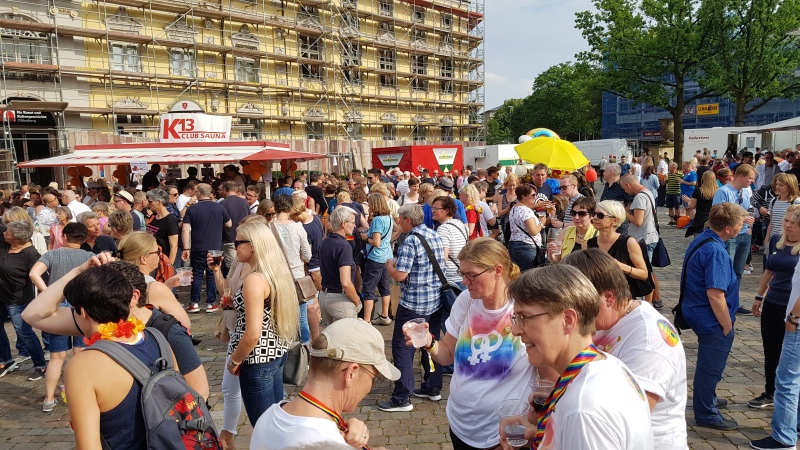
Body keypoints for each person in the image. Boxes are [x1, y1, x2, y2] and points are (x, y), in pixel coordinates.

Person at [503, 264, 654, 450]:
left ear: (567, 320)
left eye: (525, 317)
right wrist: (538, 436)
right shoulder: (607, 364)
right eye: (515, 318)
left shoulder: (582, 409)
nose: (516, 330)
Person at [407, 238, 533, 449]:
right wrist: (428, 342)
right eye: (462, 274)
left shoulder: (523, 309)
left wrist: (527, 427)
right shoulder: (466, 300)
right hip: (460, 424)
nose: (464, 281)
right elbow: (446, 353)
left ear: (497, 270)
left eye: (471, 275)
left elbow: (545, 377)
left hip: (500, 433)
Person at [562, 249, 688, 450]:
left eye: (578, 303)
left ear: (608, 298)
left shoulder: (649, 339)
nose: (570, 311)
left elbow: (633, 413)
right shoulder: (605, 321)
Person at [251, 318, 399, 450]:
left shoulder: (269, 416)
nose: (370, 387)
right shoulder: (329, 443)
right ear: (351, 374)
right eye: (373, 377)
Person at [682, 203, 748, 430]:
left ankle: (706, 398)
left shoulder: (703, 238)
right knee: (711, 367)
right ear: (729, 228)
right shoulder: (716, 251)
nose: (742, 228)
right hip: (709, 317)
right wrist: (727, 325)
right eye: (740, 224)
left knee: (709, 364)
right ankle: (706, 412)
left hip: (696, 310)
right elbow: (715, 294)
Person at [226, 221, 299, 426]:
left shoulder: (254, 279)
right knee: (275, 421)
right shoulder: (273, 271)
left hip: (257, 359)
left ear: (253, 245)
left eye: (238, 242)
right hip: (275, 353)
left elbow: (252, 334)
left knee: (264, 427)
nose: (234, 247)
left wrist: (234, 361)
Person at [379, 203, 444, 412]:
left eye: (399, 219)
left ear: (408, 220)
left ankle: (402, 397)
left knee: (403, 347)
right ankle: (432, 387)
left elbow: (400, 275)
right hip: (435, 300)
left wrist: (389, 266)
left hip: (415, 303)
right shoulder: (433, 234)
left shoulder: (410, 241)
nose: (398, 222)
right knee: (430, 343)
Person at [29, 222, 93, 412]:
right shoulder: (89, 257)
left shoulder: (52, 255)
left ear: (63, 237)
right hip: (82, 307)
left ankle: (49, 398)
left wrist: (48, 292)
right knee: (80, 353)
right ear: (83, 239)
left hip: (58, 307)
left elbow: (34, 273)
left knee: (56, 357)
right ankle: (78, 393)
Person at [747, 205, 800, 412]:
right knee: (771, 350)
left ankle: (790, 394)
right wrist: (759, 297)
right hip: (773, 303)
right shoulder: (778, 239)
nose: (786, 225)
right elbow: (769, 270)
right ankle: (771, 391)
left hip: (794, 308)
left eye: (792, 223)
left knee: (792, 354)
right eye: (786, 220)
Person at [117, 231, 192, 331]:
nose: (160, 255)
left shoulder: (116, 280)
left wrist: (166, 285)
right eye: (157, 252)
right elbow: (184, 324)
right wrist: (162, 289)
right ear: (143, 259)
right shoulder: (155, 288)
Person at [0, 221, 46, 380]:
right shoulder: (6, 243)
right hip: (1, 295)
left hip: (17, 300)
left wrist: (45, 296)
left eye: (8, 233)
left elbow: (41, 275)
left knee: (24, 332)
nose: (4, 233)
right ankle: (6, 360)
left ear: (17, 239)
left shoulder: (30, 254)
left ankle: (40, 365)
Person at [181, 183, 232, 313]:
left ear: (198, 193)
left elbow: (185, 228)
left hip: (198, 246)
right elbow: (229, 224)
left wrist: (186, 248)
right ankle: (211, 303)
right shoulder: (219, 207)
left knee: (197, 274)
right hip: (215, 246)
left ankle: (194, 303)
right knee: (211, 274)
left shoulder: (192, 209)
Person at [585, 200, 652, 299]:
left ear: (615, 221)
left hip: (622, 298)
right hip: (597, 298)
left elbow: (644, 274)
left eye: (600, 215)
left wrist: (620, 266)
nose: (594, 218)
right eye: (594, 214)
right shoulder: (589, 243)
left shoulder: (628, 242)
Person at [712, 164, 757, 299]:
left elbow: (747, 210)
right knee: (727, 270)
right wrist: (742, 220)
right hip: (729, 236)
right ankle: (722, 301)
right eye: (750, 178)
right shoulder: (723, 191)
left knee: (738, 271)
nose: (752, 181)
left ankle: (733, 301)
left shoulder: (744, 191)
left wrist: (749, 224)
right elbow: (717, 215)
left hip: (744, 235)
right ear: (741, 176)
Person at [271, 195, 312, 342]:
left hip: (275, 276)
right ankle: (304, 351)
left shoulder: (269, 227)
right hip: (297, 275)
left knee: (278, 316)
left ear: (275, 208)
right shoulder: (297, 227)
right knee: (301, 318)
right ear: (290, 208)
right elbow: (307, 255)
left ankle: (283, 346)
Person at [318, 206, 361, 324]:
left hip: (325, 296)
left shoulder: (325, 241)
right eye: (352, 222)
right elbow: (346, 282)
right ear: (343, 224)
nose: (355, 225)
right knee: (347, 341)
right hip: (340, 300)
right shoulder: (344, 246)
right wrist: (357, 301)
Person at [359, 193, 393, 324]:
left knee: (369, 288)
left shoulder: (377, 220)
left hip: (376, 257)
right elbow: (396, 230)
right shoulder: (389, 218)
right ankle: (385, 316)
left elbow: (376, 242)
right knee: (385, 287)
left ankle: (366, 319)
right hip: (387, 256)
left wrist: (365, 238)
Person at [506, 184, 544, 272]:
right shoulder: (526, 211)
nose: (535, 197)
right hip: (526, 247)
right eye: (533, 195)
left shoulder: (514, 209)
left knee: (516, 275)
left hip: (514, 244)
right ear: (523, 196)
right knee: (527, 276)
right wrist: (542, 223)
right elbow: (534, 231)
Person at [548, 197, 597, 264]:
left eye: (581, 214)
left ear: (592, 215)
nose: (576, 217)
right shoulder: (566, 232)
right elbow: (557, 261)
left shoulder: (598, 235)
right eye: (573, 213)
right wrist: (551, 254)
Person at [220, 182, 251, 275]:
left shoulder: (222, 203)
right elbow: (248, 218)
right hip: (243, 237)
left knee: (233, 267)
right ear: (236, 190)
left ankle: (236, 288)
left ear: (225, 190)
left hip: (229, 237)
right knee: (242, 264)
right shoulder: (244, 202)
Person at [145, 188, 180, 266]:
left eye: (150, 202)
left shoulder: (170, 220)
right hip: (151, 259)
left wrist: (169, 265)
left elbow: (173, 246)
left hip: (162, 261)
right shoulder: (153, 217)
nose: (148, 204)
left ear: (159, 202)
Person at [765, 173, 800, 240]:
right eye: (776, 184)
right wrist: (767, 239)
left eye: (781, 185)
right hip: (773, 238)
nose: (777, 187)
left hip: (788, 239)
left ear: (790, 186)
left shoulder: (796, 202)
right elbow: (771, 223)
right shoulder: (773, 201)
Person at [684, 171, 718, 236]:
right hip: (713, 218)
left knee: (699, 240)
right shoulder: (718, 191)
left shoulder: (698, 191)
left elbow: (692, 206)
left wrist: (688, 201)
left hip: (700, 218)